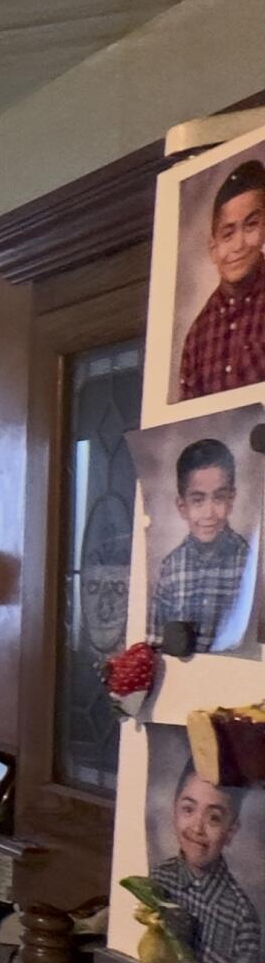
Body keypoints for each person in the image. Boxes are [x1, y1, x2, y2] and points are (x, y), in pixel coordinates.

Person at [152, 767, 265, 963]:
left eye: (214, 818)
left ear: (231, 831)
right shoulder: (158, 879)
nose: (197, 827)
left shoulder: (243, 921)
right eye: (188, 809)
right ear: (174, 811)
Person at [176, 159, 265, 400]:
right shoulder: (197, 335)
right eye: (228, 234)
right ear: (213, 248)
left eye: (251, 225)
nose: (238, 245)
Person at [152, 436, 253, 649]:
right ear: (182, 506)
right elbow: (156, 640)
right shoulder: (171, 567)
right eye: (198, 500)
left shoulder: (249, 562)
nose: (209, 513)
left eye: (218, 498)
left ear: (231, 499)